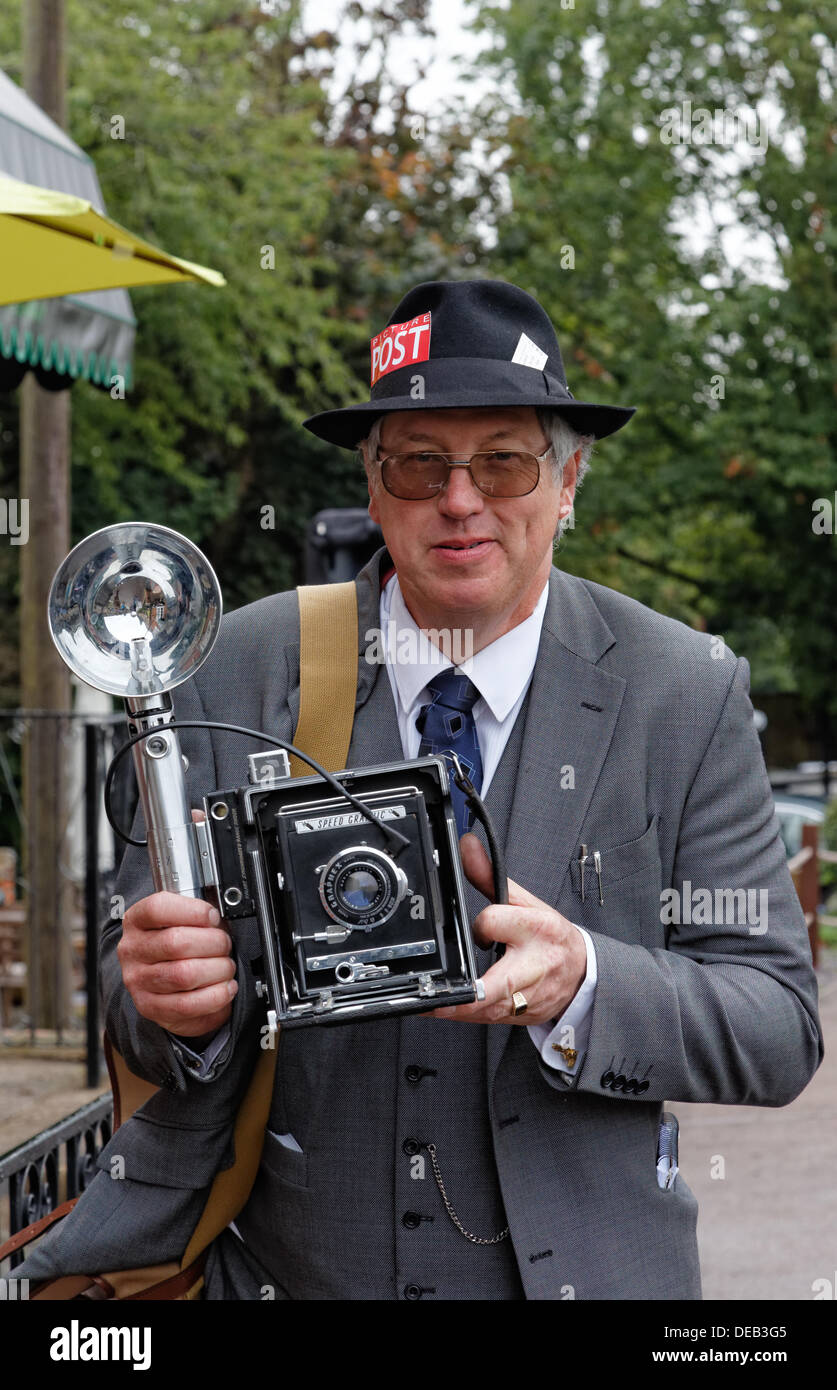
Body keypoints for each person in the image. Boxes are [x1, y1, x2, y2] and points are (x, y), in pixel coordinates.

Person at [19, 279, 823, 1300]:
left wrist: (586, 981)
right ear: (372, 484)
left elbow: (777, 1025)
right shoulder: (230, 668)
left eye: (506, 459)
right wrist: (177, 1006)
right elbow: (138, 996)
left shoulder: (685, 690)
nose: (459, 497)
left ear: (570, 481)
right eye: (418, 461)